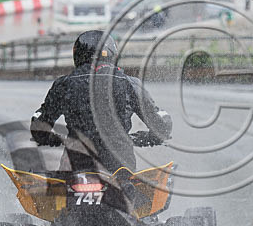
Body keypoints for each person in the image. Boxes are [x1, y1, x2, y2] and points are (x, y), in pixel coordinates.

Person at [30, 30, 172, 173]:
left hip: (77, 163)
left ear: (77, 55)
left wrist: (50, 138)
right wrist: (150, 137)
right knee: (135, 189)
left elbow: (39, 126)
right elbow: (161, 126)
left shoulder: (64, 84)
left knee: (58, 188)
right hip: (120, 165)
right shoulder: (130, 84)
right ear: (111, 54)